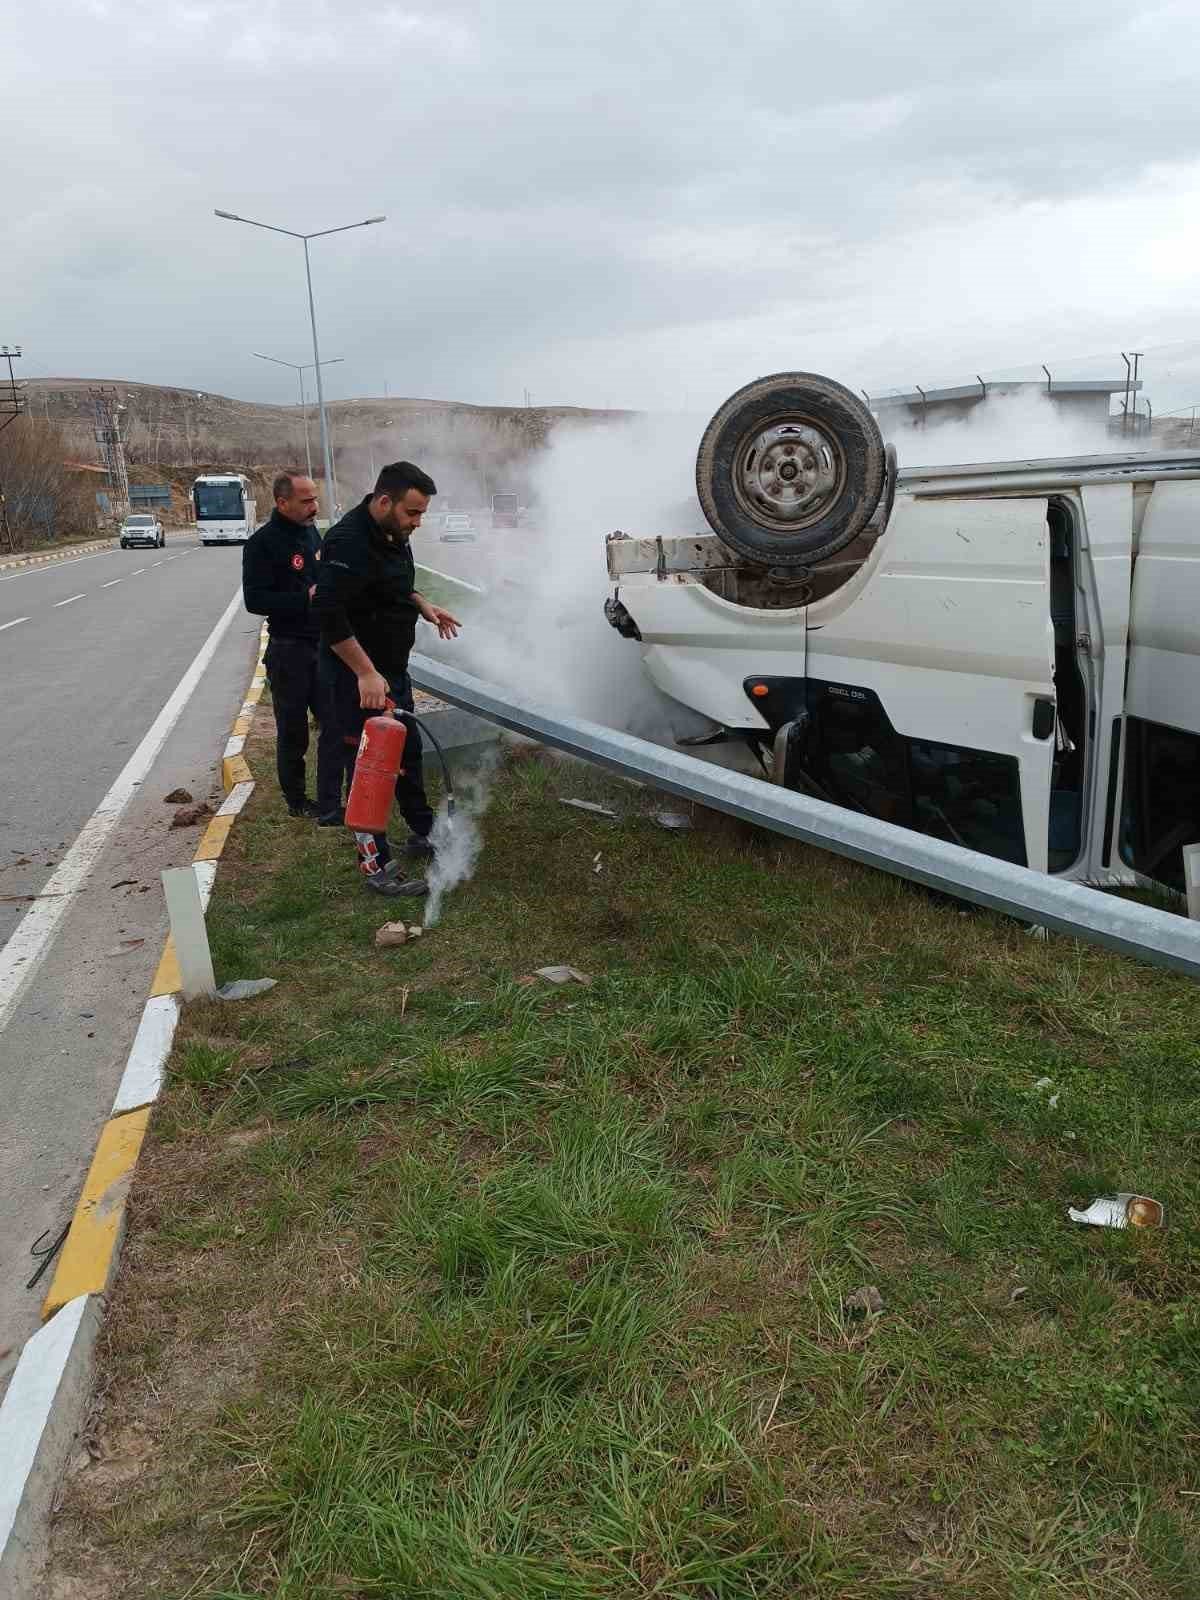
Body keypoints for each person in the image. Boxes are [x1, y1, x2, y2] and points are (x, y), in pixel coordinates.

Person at [312, 460, 461, 898]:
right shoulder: (347, 541)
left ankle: (423, 833)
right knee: (372, 767)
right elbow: (328, 614)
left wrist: (422, 605)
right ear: (383, 500)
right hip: (358, 677)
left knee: (408, 754)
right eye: (412, 512)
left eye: (421, 514)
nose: (417, 522)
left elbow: (391, 586)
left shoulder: (394, 534)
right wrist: (365, 672)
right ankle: (376, 864)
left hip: (391, 670)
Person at [242, 472, 347, 822]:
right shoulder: (262, 544)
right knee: (293, 730)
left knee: (334, 723)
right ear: (282, 502)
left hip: (324, 646)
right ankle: (297, 800)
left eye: (315, 499)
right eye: (306, 501)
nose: (314, 506)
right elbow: (255, 600)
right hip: (289, 650)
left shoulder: (311, 531)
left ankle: (332, 800)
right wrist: (305, 598)